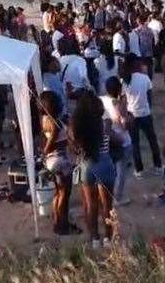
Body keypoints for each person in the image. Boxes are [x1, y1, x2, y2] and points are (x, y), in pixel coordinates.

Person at [68, 92, 116, 249]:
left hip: (88, 165)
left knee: (90, 205)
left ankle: (95, 239)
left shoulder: (78, 127)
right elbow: (113, 139)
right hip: (106, 162)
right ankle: (108, 237)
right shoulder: (105, 122)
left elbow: (75, 150)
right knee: (107, 205)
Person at [39, 91, 81, 235]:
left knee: (58, 192)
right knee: (64, 193)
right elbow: (51, 144)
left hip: (52, 160)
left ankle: (58, 222)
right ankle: (63, 225)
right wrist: (45, 152)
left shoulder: (44, 119)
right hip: (60, 159)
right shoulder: (55, 122)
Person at [122, 54, 162, 177]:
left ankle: (139, 170)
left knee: (135, 143)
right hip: (145, 114)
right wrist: (148, 108)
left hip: (132, 114)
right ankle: (158, 166)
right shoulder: (144, 78)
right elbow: (149, 96)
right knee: (152, 141)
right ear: (136, 64)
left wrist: (125, 115)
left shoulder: (125, 80)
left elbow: (124, 100)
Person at [100, 76, 132, 206]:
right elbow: (125, 124)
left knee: (109, 170)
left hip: (107, 140)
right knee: (120, 171)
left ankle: (105, 195)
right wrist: (130, 116)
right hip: (122, 140)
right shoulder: (117, 104)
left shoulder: (101, 100)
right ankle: (117, 198)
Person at [136, 13, 156, 80]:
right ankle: (149, 85)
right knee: (149, 71)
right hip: (149, 53)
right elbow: (153, 41)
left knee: (141, 72)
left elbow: (137, 42)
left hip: (141, 53)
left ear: (138, 21)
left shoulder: (137, 31)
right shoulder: (150, 30)